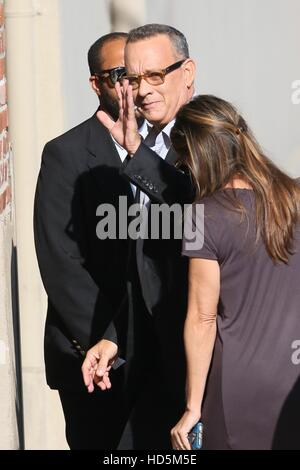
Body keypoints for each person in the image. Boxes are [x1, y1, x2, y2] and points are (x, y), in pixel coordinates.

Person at [81, 24, 196, 448]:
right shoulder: (142, 142)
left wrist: (136, 154)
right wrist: (114, 337)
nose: (142, 90)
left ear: (187, 73)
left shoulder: (212, 135)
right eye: (132, 78)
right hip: (155, 358)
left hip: (201, 365)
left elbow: (192, 212)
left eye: (155, 75)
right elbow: (146, 264)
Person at [170, 94, 300, 450]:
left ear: (197, 157)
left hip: (239, 387)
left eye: (183, 162)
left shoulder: (203, 216)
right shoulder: (295, 197)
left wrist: (192, 406)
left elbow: (202, 317)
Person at [34, 32, 140, 449]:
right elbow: (60, 260)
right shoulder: (65, 154)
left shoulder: (168, 148)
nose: (130, 85)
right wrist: (110, 342)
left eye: (137, 74)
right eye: (118, 75)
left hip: (155, 357)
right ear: (96, 84)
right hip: (90, 357)